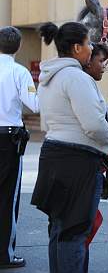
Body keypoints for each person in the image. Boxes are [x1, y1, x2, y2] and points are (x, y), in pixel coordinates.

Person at [31, 22, 108, 273]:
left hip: (54, 153)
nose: (91, 49)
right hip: (77, 161)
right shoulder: (76, 77)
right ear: (77, 47)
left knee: (59, 228)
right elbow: (93, 124)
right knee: (75, 232)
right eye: (88, 44)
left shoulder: (50, 76)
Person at [0, 26, 39, 270]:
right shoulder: (19, 72)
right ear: (19, 46)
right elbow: (34, 104)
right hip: (8, 141)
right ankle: (5, 255)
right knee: (7, 197)